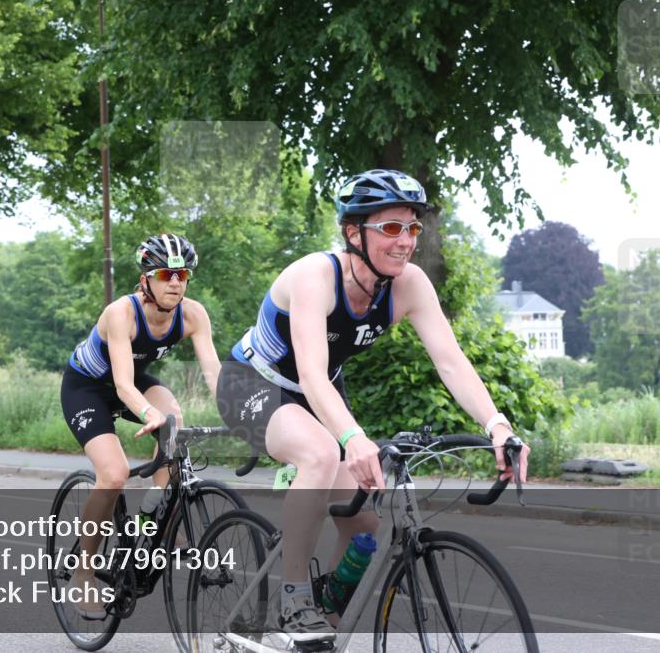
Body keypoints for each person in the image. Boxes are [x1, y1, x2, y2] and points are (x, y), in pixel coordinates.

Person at [216, 169, 530, 642]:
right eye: (390, 228)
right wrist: (351, 438)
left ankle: (324, 615)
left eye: (412, 228)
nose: (405, 241)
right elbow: (311, 376)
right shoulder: (314, 276)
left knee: (363, 519)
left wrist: (497, 426)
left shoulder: (410, 285)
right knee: (320, 454)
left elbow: (450, 361)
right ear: (352, 232)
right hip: (250, 383)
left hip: (316, 391)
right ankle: (294, 597)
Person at [60, 233, 221, 620]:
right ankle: (84, 570)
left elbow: (214, 372)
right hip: (89, 389)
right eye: (166, 274)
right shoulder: (122, 313)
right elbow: (122, 386)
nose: (176, 282)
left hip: (135, 381)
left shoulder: (194, 314)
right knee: (113, 475)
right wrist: (149, 413)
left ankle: (155, 522)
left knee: (175, 424)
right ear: (146, 278)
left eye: (183, 274)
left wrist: (242, 413)